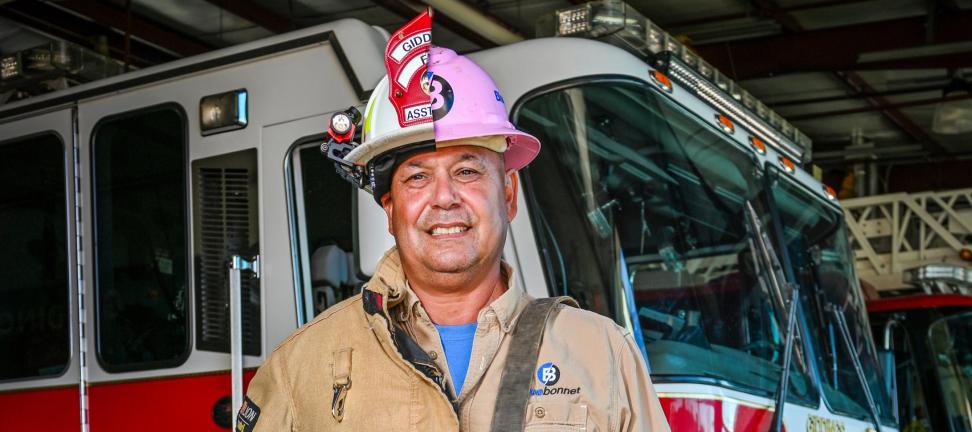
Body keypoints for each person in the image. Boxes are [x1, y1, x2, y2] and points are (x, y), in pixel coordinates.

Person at [237, 11, 669, 432]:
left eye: (467, 171)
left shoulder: (603, 354)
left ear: (508, 194)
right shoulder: (300, 367)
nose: (444, 197)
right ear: (389, 210)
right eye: (418, 176)